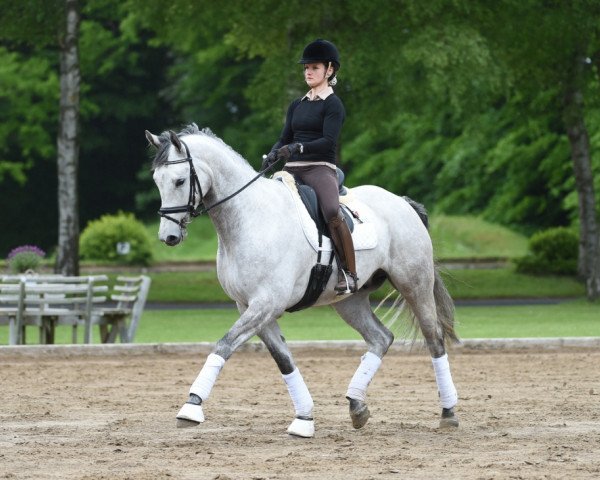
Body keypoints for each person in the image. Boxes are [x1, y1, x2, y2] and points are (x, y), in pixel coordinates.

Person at [263, 38, 357, 294]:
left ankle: (349, 273)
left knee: (331, 211)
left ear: (329, 70)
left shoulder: (333, 104)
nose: (308, 72)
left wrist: (298, 148)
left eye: (314, 67)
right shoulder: (297, 104)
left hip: (319, 168)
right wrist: (273, 153)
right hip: (291, 169)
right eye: (306, 68)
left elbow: (328, 140)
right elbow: (285, 138)